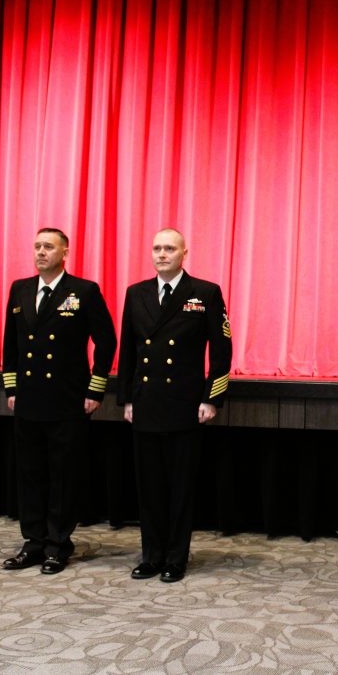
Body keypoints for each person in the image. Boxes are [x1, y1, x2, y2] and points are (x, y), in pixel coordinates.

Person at [118, 228, 232, 583]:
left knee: (180, 487)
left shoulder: (204, 293)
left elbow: (222, 350)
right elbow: (128, 353)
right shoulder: (136, 293)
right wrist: (126, 399)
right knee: (148, 486)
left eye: (169, 248)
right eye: (156, 248)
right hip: (147, 404)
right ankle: (151, 556)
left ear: (185, 253)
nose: (162, 254)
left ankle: (175, 558)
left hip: (185, 405)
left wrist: (211, 397)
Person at [0, 227, 117, 575]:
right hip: (29, 400)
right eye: (36, 246)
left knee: (63, 475)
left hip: (67, 400)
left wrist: (95, 391)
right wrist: (12, 389)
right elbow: (11, 344)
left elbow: (106, 342)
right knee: (31, 474)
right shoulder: (20, 289)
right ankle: (33, 542)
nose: (40, 252)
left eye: (48, 247)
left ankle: (57, 544)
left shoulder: (82, 291)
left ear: (64, 252)